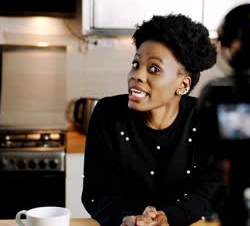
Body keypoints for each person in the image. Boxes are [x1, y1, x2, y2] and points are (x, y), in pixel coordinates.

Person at [81, 14, 222, 226]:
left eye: (154, 69)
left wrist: (169, 218)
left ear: (183, 85)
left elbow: (209, 191)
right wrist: (124, 219)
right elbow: (97, 193)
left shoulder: (204, 117)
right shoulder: (107, 113)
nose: (136, 75)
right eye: (136, 64)